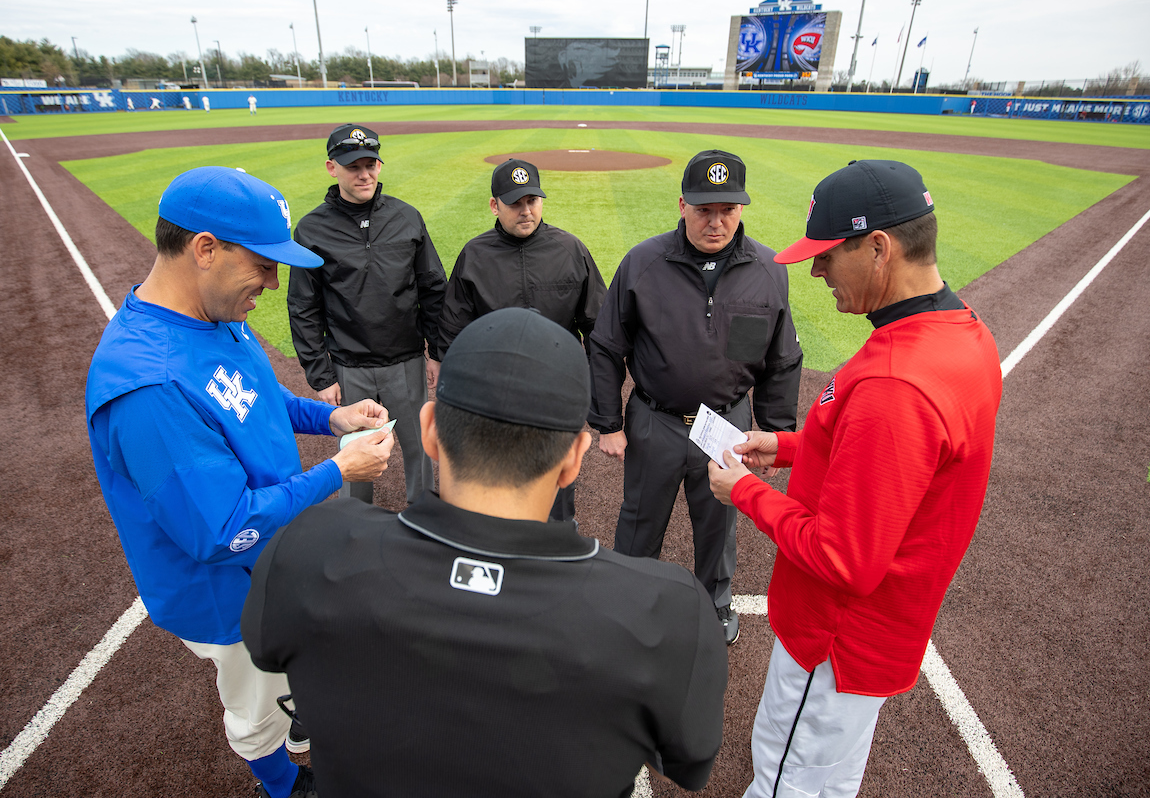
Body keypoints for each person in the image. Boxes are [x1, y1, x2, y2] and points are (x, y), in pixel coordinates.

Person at [243, 308, 729, 797]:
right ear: (574, 459)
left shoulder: (310, 548)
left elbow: (264, 647)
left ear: (429, 430)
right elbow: (690, 763)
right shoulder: (671, 613)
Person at [85, 166, 397, 798]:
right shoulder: (149, 386)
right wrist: (341, 469)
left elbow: (259, 399)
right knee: (257, 709)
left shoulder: (213, 312)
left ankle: (301, 708)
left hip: (273, 553)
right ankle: (283, 785)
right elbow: (221, 531)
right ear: (205, 249)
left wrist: (330, 416)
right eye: (262, 263)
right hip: (226, 594)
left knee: (310, 653)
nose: (272, 283)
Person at [707, 160, 1004, 798]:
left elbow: (845, 558)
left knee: (789, 781)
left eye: (825, 256)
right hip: (878, 629)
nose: (815, 272)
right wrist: (785, 446)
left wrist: (746, 492)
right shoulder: (962, 332)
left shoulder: (897, 382)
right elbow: (891, 454)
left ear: (878, 248)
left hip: (834, 636)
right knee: (830, 777)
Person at [589, 149, 803, 645]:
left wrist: (774, 432)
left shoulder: (770, 269)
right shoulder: (643, 262)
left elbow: (782, 359)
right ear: (682, 204)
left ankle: (714, 608)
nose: (716, 221)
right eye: (704, 209)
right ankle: (630, 604)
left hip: (726, 423)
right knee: (640, 522)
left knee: (718, 525)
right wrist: (609, 422)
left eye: (727, 209)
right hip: (654, 420)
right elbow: (605, 345)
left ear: (742, 209)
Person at [437, 158, 607, 521]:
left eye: (532, 200)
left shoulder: (570, 250)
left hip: (555, 391)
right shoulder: (475, 255)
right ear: (494, 205)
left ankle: (557, 553)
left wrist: (592, 384)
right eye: (515, 203)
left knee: (556, 491)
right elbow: (454, 329)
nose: (526, 210)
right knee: (488, 486)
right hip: (491, 394)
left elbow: (597, 325)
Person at [289, 123, 447, 506]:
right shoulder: (312, 229)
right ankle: (354, 520)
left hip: (406, 361)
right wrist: (321, 374)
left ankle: (422, 516)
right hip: (349, 366)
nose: (364, 174)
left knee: (420, 451)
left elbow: (432, 288)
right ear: (332, 168)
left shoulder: (407, 217)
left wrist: (437, 353)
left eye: (370, 165)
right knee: (355, 457)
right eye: (353, 166)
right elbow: (303, 306)